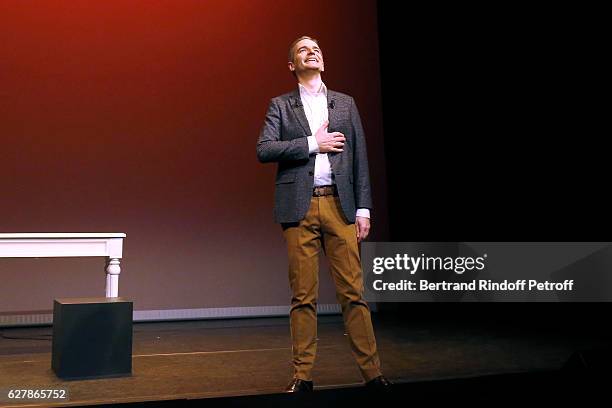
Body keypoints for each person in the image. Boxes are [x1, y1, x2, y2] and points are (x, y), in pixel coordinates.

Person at [256, 36, 391, 393]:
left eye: (315, 49)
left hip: (340, 205)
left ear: (323, 61)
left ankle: (373, 374)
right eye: (302, 50)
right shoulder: (281, 106)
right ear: (292, 65)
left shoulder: (345, 104)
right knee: (303, 296)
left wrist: (364, 208)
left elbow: (360, 158)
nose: (310, 52)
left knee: (353, 293)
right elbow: (265, 149)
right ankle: (302, 376)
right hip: (299, 208)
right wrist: (314, 143)